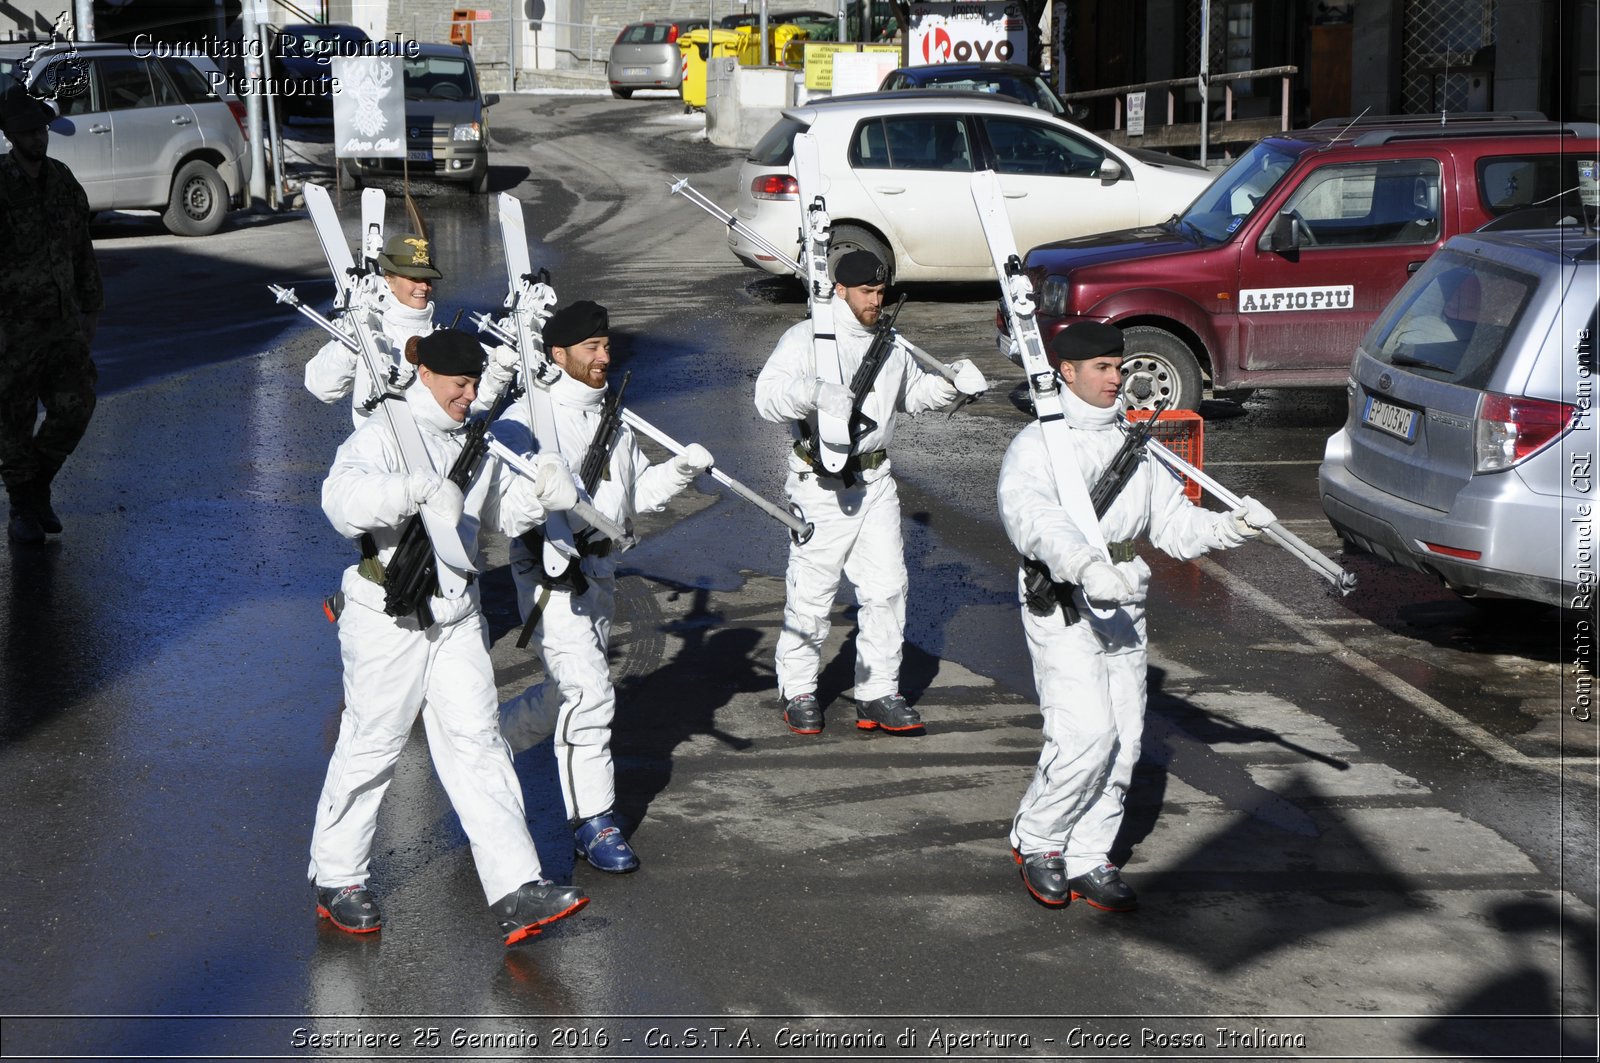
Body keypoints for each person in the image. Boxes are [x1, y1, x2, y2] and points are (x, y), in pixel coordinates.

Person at [309, 328, 589, 945]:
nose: (468, 396)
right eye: (459, 385)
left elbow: (496, 515)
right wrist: (410, 492)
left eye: (473, 385)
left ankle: (517, 888)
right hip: (388, 616)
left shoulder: (477, 440)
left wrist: (541, 497)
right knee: (373, 744)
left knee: (478, 744)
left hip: (457, 616)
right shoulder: (385, 432)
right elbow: (340, 502)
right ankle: (338, 877)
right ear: (428, 376)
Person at [996, 322, 1276, 912]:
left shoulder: (1135, 442)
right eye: (1101, 367)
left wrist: (1231, 527)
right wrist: (1083, 564)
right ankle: (1040, 838)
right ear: (1066, 372)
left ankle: (1090, 853)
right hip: (1065, 599)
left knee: (1124, 737)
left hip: (1124, 597)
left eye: (1117, 367)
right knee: (1084, 732)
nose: (1115, 378)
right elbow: (1033, 519)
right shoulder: (1039, 443)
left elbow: (1174, 525)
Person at [497, 300, 712, 874]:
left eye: (606, 345)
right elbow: (500, 512)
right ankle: (593, 821)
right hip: (548, 574)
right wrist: (540, 493)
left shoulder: (612, 419)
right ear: (557, 354)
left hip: (600, 570)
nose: (603, 357)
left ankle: (491, 744)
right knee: (590, 694)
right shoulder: (527, 418)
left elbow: (631, 500)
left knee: (570, 690)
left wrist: (681, 471)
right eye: (590, 348)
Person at [753, 249, 986, 736]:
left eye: (881, 293)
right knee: (812, 596)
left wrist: (952, 385)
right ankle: (797, 689)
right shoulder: (805, 340)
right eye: (866, 292)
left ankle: (877, 691)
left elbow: (912, 395)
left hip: (876, 482)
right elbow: (767, 398)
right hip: (820, 484)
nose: (875, 302)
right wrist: (814, 392)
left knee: (887, 591)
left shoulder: (891, 343)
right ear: (840, 290)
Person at [0, 86, 101, 545]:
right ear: (9, 135)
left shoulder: (63, 180)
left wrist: (90, 307)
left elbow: (82, 248)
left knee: (76, 405)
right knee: (13, 422)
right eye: (27, 131)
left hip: (62, 323)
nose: (37, 137)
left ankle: (37, 485)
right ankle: (23, 509)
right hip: (12, 329)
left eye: (40, 128)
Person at [303, 231, 516, 425]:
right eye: (413, 278)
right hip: (384, 453)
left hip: (437, 454)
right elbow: (321, 387)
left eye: (427, 279)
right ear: (389, 279)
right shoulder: (370, 328)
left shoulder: (436, 335)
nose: (423, 287)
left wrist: (496, 377)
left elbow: (463, 405)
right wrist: (353, 339)